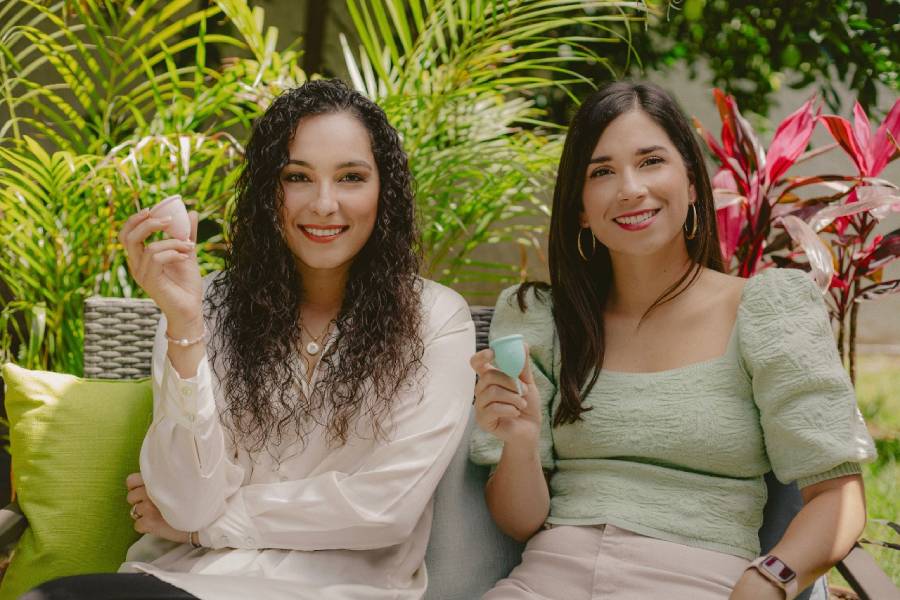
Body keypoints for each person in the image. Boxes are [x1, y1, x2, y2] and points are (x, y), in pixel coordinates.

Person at [26, 79, 475, 600]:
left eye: (351, 177)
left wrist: (205, 526)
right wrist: (185, 327)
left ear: (384, 191)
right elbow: (185, 502)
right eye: (297, 177)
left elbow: (384, 510)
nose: (324, 204)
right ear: (268, 192)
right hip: (180, 583)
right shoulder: (205, 304)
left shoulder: (436, 319)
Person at [469, 81, 876, 600]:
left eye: (651, 161)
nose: (630, 188)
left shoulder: (767, 309)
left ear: (690, 177)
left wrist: (769, 579)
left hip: (700, 583)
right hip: (546, 580)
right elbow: (520, 521)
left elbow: (838, 496)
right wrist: (520, 443)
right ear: (580, 208)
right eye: (601, 172)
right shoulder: (541, 319)